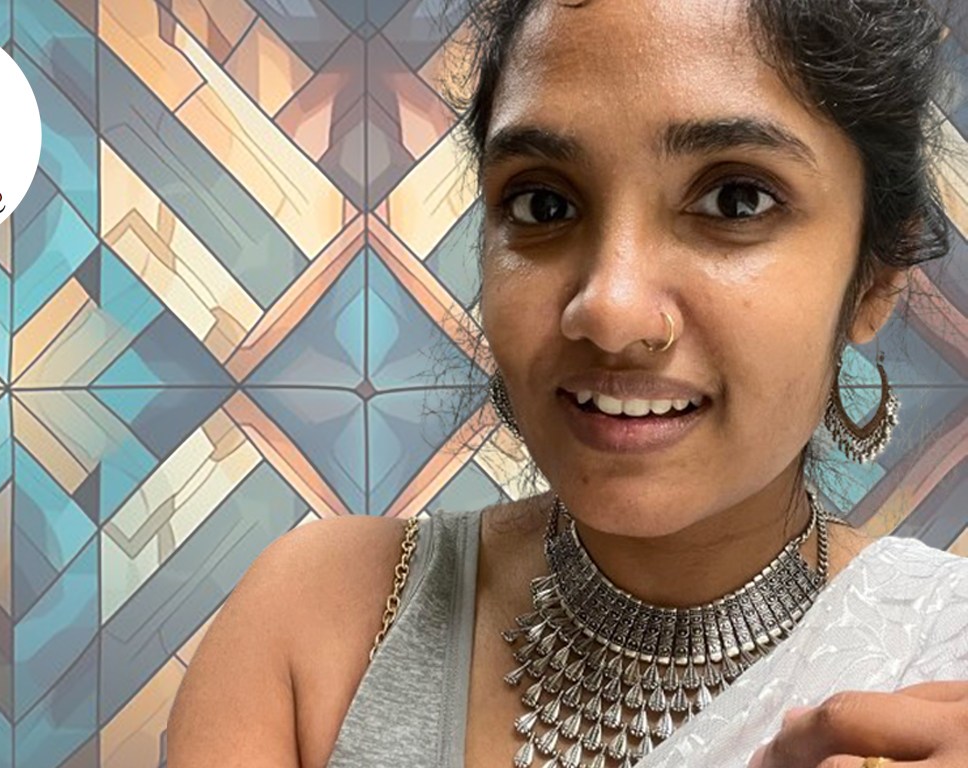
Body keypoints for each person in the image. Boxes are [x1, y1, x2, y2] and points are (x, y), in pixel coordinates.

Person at [165, 0, 968, 766]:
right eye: (544, 204)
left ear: (876, 275)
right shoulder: (319, 626)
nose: (609, 310)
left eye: (736, 199)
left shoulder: (940, 659)